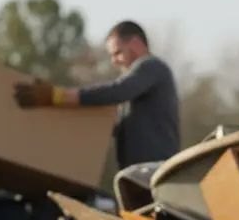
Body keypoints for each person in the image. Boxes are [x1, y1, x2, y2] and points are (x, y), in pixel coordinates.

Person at [13, 20, 182, 169]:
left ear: (136, 44)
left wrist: (59, 96)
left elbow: (117, 91)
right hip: (137, 175)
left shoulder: (151, 66)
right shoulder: (138, 87)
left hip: (155, 172)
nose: (114, 61)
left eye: (118, 53)